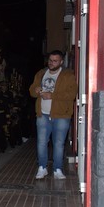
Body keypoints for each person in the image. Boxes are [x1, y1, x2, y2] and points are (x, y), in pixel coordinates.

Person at [29, 50, 77, 180]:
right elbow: (32, 91)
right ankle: (42, 167)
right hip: (43, 114)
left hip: (61, 114)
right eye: (50, 60)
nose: (52, 63)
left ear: (61, 62)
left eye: (55, 61)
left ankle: (57, 169)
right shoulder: (41, 73)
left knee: (59, 143)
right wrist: (36, 90)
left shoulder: (68, 75)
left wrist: (52, 96)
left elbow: (71, 94)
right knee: (42, 142)